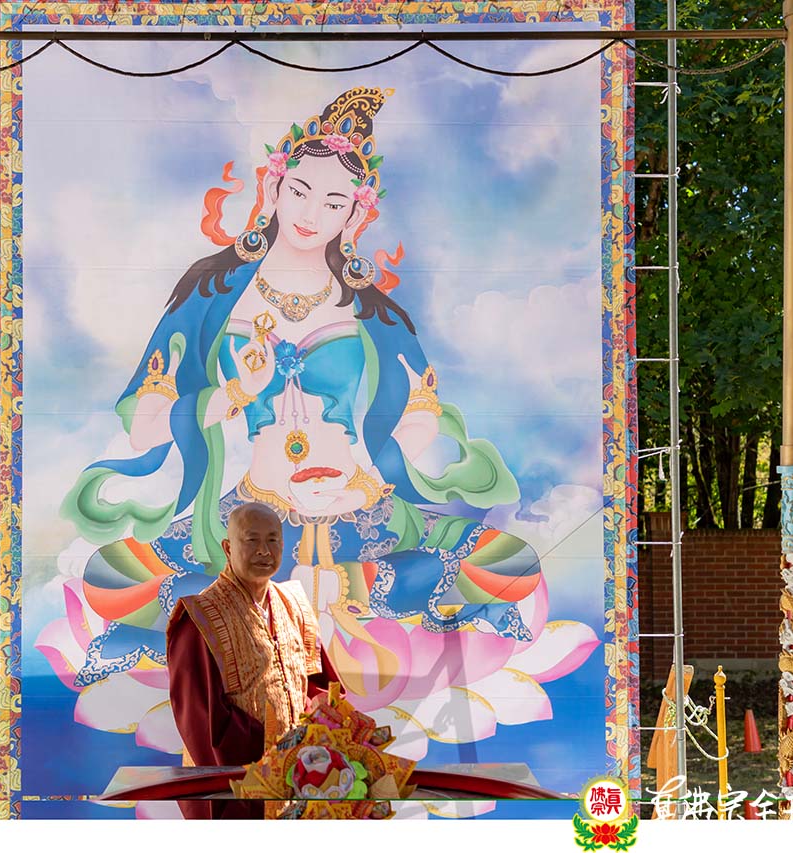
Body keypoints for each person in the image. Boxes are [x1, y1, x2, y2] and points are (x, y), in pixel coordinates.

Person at [58, 87, 569, 759]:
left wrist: (398, 454)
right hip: (250, 520)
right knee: (112, 578)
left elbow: (422, 414)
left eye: (333, 202)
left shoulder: (372, 312)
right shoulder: (212, 295)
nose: (310, 214)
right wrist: (230, 394)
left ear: (357, 213)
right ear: (273, 186)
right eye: (299, 192)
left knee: (511, 563)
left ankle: (341, 597)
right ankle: (344, 601)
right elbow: (146, 424)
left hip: (362, 511)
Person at [166, 501, 339, 818]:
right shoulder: (200, 619)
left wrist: (320, 739)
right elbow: (202, 722)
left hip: (301, 780)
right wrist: (280, 753)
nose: (264, 550)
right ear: (228, 547)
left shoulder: (294, 604)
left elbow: (318, 686)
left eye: (273, 540)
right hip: (240, 789)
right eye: (252, 539)